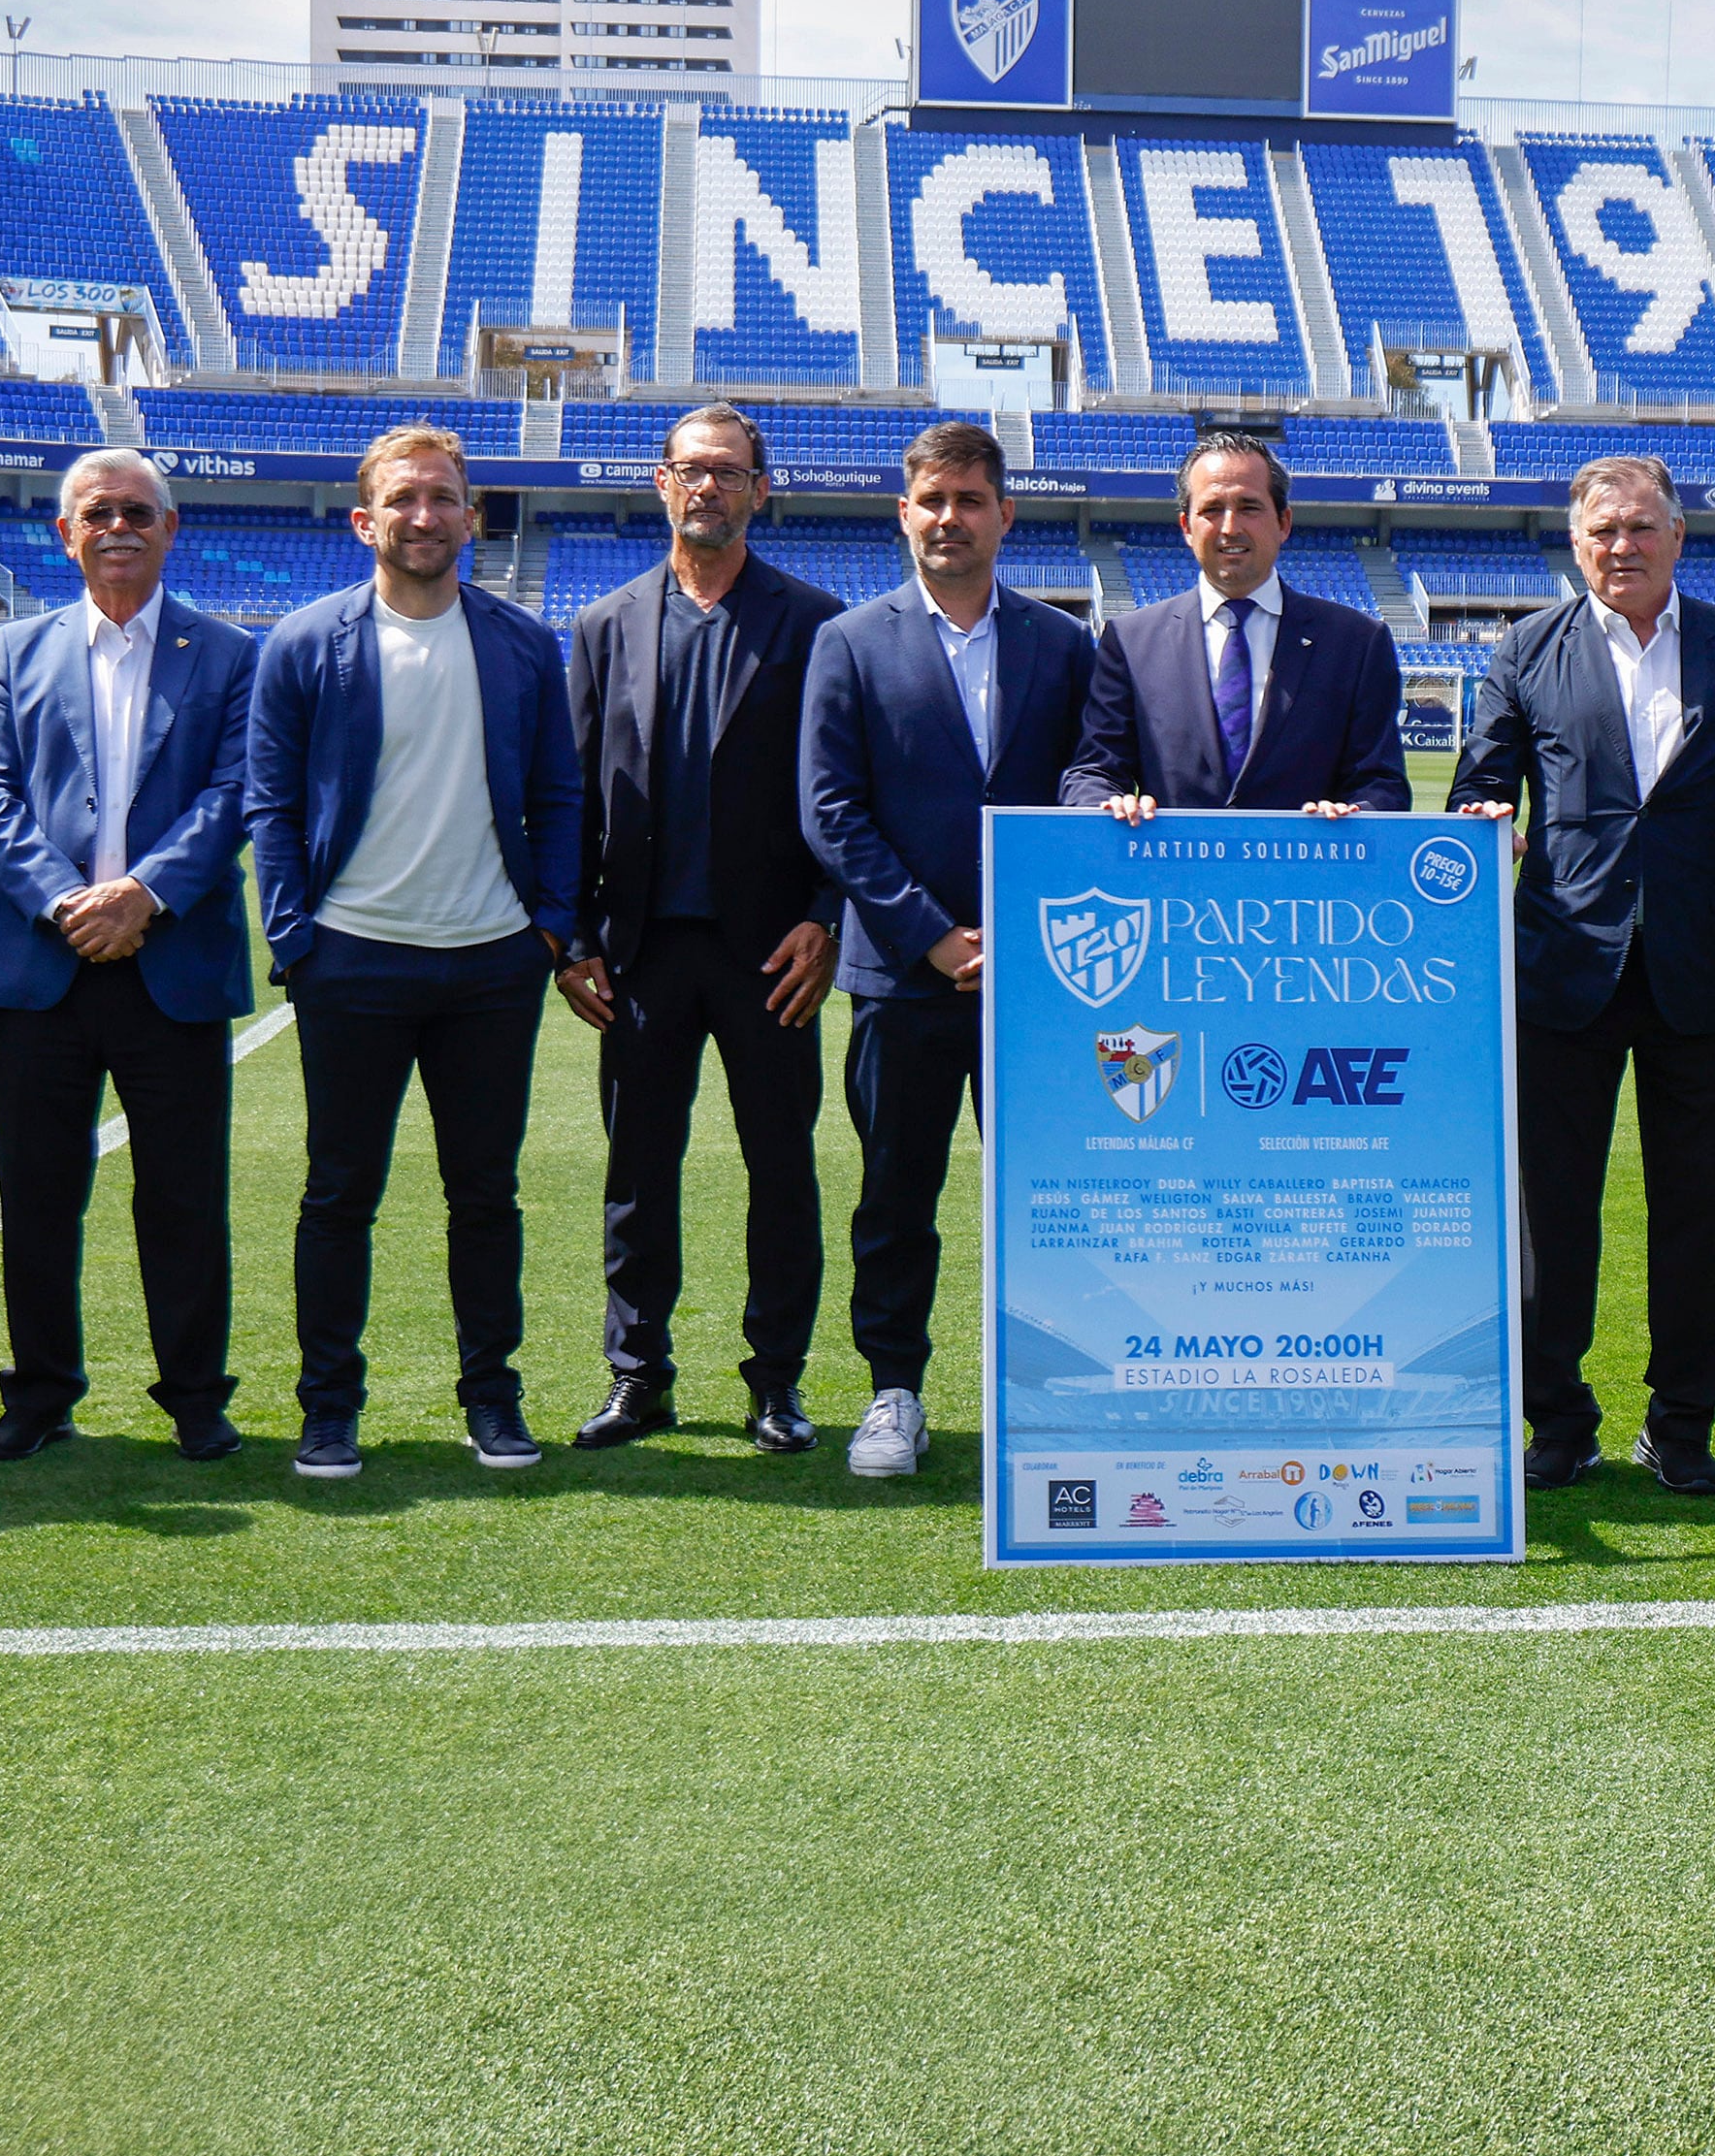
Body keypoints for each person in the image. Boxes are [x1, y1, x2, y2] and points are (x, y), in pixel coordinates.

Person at [1452, 453, 1715, 1497]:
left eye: (1641, 526)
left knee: (1694, 1212)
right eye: (1601, 530)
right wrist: (1487, 824)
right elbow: (1482, 784)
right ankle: (1556, 1418)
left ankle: (1681, 1422)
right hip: (1561, 971)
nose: (1621, 545)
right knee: (1551, 1212)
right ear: (1575, 543)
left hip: (1702, 978)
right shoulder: (1524, 649)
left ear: (1676, 536)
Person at [248, 421, 582, 1480]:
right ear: (365, 520)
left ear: (471, 517)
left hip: (491, 962)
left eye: (443, 498)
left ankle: (491, 1399)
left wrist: (550, 926)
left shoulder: (523, 642)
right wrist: (296, 938)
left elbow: (559, 793)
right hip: (352, 959)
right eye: (403, 500)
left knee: (484, 1195)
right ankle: (327, 1408)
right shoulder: (305, 643)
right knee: (339, 1194)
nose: (424, 516)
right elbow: (273, 803)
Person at [797, 414, 1089, 1479]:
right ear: (903, 513)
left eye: (970, 500)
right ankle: (893, 1392)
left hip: (1041, 985)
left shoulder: (1063, 644)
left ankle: (1060, 1390)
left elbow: (1083, 792)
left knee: (1057, 1189)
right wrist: (930, 938)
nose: (950, 518)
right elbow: (830, 812)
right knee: (896, 1193)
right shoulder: (849, 640)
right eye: (932, 500)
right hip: (904, 979)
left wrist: (1015, 937)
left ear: (1004, 513)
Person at [0, 450, 259, 1463]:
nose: (119, 526)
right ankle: (40, 1392)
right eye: (98, 512)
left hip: (170, 966)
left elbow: (234, 796)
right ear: (66, 534)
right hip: (45, 970)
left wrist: (144, 893)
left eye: (139, 511)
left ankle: (194, 1396)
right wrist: (63, 901)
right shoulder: (15, 650)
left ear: (170, 530)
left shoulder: (226, 654)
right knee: (38, 1194)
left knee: (182, 1197)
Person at [558, 403, 844, 1456]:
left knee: (782, 1168)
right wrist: (574, 936)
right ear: (662, 484)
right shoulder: (604, 626)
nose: (708, 488)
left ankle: (776, 1381)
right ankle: (639, 1378)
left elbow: (839, 794)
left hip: (772, 953)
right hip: (640, 952)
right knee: (639, 1172)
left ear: (760, 491)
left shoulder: (816, 625)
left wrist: (825, 918)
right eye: (690, 471)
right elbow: (575, 796)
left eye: (728, 473)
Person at [1059, 427, 1409, 820]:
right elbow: (1094, 771)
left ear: (1284, 523)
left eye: (1249, 507)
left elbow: (1382, 783)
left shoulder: (1356, 643)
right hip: (1174, 877)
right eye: (1212, 509)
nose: (1230, 527)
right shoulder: (1131, 641)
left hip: (1306, 876)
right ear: (1187, 528)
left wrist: (1355, 812)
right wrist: (1109, 801)